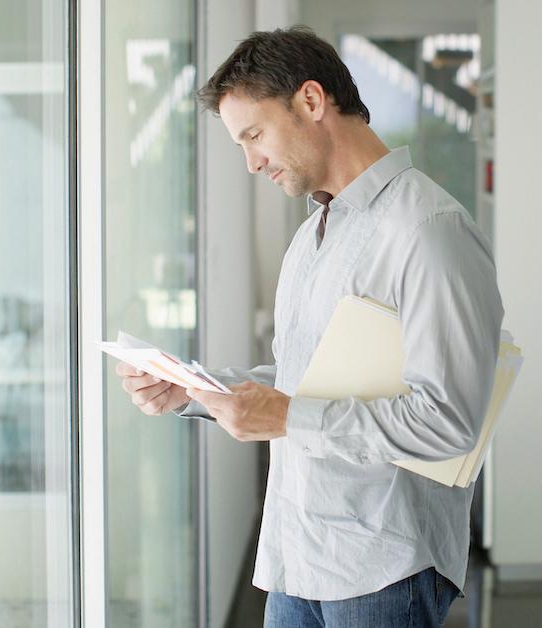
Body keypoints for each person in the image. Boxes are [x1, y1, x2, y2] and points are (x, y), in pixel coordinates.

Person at [116, 26, 503, 627]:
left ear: (312, 102)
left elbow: (449, 421)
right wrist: (194, 390)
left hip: (384, 568)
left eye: (254, 135)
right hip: (296, 557)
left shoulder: (429, 232)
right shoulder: (312, 234)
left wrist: (285, 416)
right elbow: (304, 376)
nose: (250, 163)